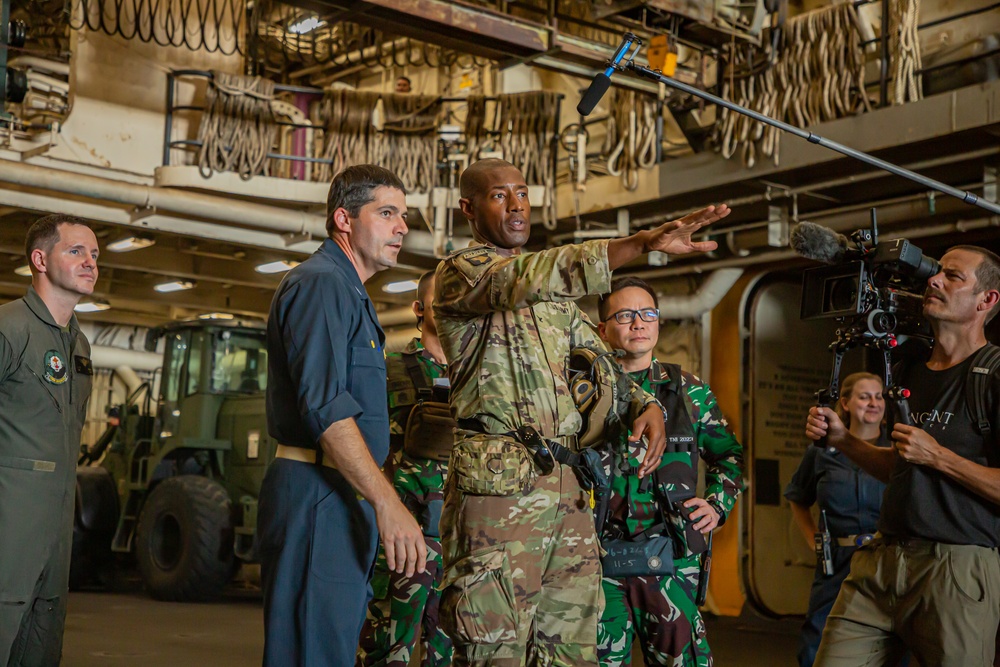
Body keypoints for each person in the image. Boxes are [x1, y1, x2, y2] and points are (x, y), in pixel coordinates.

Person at [433, 157, 730, 666]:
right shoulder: (463, 274)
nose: (516, 205)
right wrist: (639, 243)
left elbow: (599, 362)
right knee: (492, 645)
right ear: (469, 208)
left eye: (522, 193)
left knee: (570, 649)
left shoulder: (555, 304)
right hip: (499, 490)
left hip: (567, 492)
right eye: (499, 196)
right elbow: (527, 275)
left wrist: (647, 403)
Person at [258, 164, 426, 667]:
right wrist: (386, 502)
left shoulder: (350, 292)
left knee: (330, 646)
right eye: (387, 213)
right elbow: (326, 407)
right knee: (313, 650)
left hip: (336, 492)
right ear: (343, 220)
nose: (402, 227)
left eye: (404, 216)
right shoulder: (323, 284)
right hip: (317, 490)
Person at [806, 245, 1000, 666]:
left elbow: (928, 459)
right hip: (881, 561)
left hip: (956, 569)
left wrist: (939, 457)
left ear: (986, 300)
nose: (933, 280)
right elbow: (902, 466)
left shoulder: (994, 375)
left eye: (953, 276)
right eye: (936, 273)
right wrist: (843, 440)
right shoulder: (907, 371)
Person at [593, 276, 743, 667]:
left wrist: (716, 505)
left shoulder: (689, 392)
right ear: (602, 329)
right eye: (624, 315)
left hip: (671, 557)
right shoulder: (584, 394)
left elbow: (729, 456)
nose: (638, 323)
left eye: (648, 313)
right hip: (596, 560)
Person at [0, 214, 99, 665]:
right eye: (76, 251)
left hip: (56, 527)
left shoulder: (78, 345)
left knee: (42, 640)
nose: (90, 262)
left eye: (95, 254)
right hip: (9, 526)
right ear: (40, 259)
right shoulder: (10, 328)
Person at [357, 270, 454, 667]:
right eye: (440, 298)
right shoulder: (389, 369)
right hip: (404, 539)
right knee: (388, 649)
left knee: (451, 653)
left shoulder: (484, 376)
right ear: (418, 308)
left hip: (460, 539)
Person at [785, 373, 889, 667]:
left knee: (888, 642)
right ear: (844, 402)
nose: (873, 403)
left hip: (884, 560)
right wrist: (814, 542)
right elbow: (797, 496)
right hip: (837, 560)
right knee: (815, 642)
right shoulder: (822, 452)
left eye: (879, 396)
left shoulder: (897, 449)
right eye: (864, 396)